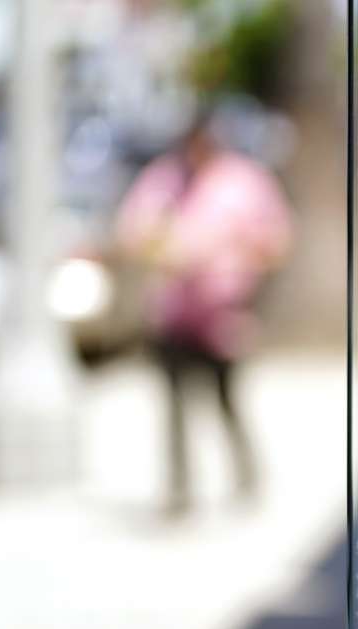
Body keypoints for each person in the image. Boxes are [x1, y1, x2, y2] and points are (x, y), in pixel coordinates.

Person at [115, 114, 293, 514]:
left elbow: (278, 241)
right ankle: (180, 492)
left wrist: (236, 250)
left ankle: (246, 480)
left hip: (224, 316)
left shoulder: (245, 182)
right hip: (174, 314)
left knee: (227, 403)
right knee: (175, 410)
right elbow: (131, 233)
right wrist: (162, 246)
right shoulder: (163, 180)